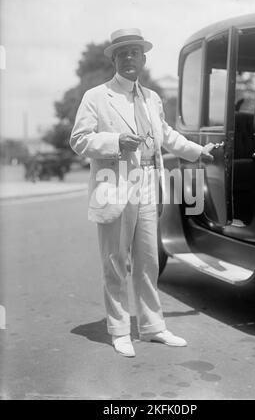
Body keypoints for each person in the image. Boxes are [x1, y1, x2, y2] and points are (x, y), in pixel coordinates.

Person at [70, 28, 216, 357]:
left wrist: (198, 151)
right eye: (122, 53)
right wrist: (114, 142)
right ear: (114, 59)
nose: (128, 58)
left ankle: (152, 327)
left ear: (143, 58)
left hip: (149, 182)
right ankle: (119, 330)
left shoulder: (151, 98)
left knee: (149, 259)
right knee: (115, 261)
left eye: (134, 52)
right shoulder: (97, 96)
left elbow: (164, 134)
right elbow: (78, 140)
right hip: (114, 183)